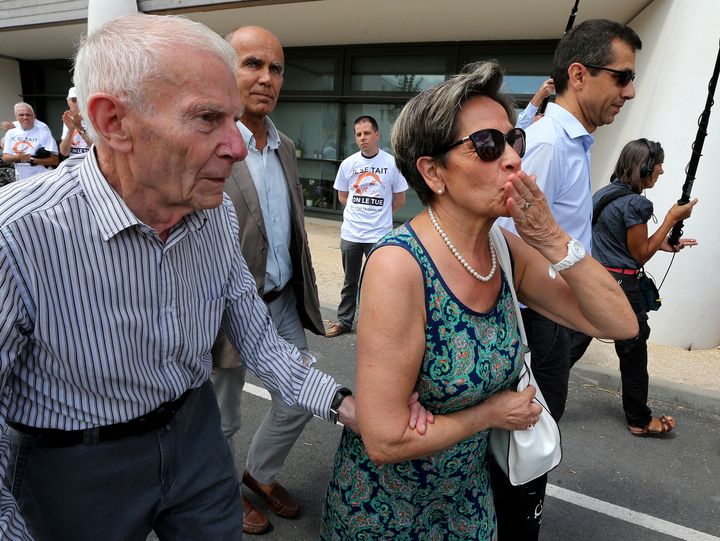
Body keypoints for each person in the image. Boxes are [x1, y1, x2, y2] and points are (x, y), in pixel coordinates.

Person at [0, 14, 362, 540]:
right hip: (77, 465)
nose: (237, 147)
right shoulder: (17, 234)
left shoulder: (211, 211)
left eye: (234, 120)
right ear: (113, 121)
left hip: (197, 437)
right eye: (208, 118)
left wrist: (346, 405)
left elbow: (258, 337)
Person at [320, 61, 637, 540]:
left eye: (515, 141)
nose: (511, 159)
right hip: (387, 511)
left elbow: (619, 323)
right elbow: (384, 439)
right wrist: (491, 413)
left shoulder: (504, 250)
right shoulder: (398, 266)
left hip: (469, 502)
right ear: (433, 172)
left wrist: (552, 239)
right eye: (489, 145)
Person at [494, 20, 642, 539]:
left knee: (538, 438)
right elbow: (508, 245)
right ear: (578, 75)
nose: (629, 90)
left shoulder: (572, 141)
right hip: (535, 318)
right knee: (523, 444)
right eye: (621, 77)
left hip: (555, 315)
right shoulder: (547, 145)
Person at [212, 25, 325, 534]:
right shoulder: (209, 143)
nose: (266, 77)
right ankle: (219, 495)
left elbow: (290, 228)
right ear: (225, 70)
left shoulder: (284, 146)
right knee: (222, 418)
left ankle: (259, 475)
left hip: (278, 304)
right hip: (222, 312)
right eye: (252, 64)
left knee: (300, 396)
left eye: (275, 68)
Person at [586, 139, 697, 435]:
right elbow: (638, 254)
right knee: (634, 350)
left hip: (594, 279)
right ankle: (639, 419)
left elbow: (616, 238)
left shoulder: (607, 192)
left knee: (570, 345)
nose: (661, 169)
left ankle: (534, 396)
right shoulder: (638, 203)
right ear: (645, 166)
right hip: (621, 286)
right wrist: (672, 218)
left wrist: (664, 243)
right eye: (658, 163)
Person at [325, 115, 408, 337]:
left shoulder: (391, 164)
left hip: (379, 236)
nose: (363, 138)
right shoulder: (348, 164)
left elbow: (400, 200)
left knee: (378, 283)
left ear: (377, 135)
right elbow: (343, 196)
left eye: (367, 133)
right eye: (359, 134)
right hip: (351, 233)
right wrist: (361, 211)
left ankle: (375, 325)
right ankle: (344, 321)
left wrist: (380, 215)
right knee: (350, 281)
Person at [2, 102, 58, 181]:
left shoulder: (43, 132)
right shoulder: (11, 133)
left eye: (28, 114)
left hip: (43, 179)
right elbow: (5, 157)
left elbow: (55, 160)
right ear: (16, 117)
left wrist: (32, 160)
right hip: (21, 180)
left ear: (34, 116)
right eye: (21, 115)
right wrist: (18, 157)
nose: (25, 117)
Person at [59, 86, 92, 157]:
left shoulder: (94, 118)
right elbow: (64, 152)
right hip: (74, 163)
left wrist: (79, 127)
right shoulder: (68, 119)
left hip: (90, 162)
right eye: (74, 100)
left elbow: (97, 149)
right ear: (68, 102)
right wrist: (70, 130)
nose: (77, 103)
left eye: (81, 99)